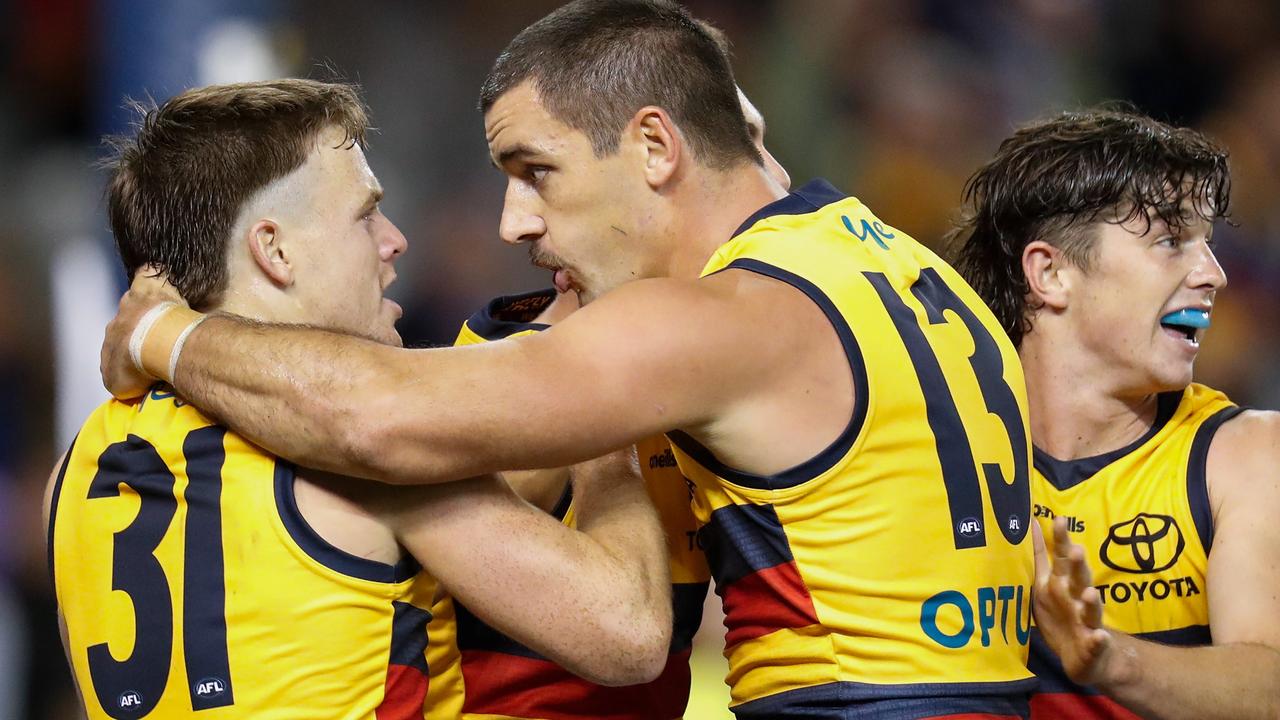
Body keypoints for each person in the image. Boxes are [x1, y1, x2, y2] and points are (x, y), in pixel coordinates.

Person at [101, 1, 1037, 716]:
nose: (514, 220)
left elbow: (376, 423)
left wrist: (160, 333)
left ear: (655, 146)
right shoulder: (903, 265)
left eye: (535, 170)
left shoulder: (715, 321)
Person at [47, 78, 672, 720]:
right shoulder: (350, 451)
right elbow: (628, 632)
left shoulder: (73, 474)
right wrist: (605, 430)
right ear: (275, 249)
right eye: (365, 213)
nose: (394, 240)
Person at [423, 81, 788, 720]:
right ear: (658, 158)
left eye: (758, 145)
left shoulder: (725, 356)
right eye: (745, 148)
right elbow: (625, 635)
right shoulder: (530, 364)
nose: (776, 180)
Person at [950, 106, 1280, 719]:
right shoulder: (937, 452)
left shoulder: (1242, 454)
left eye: (1207, 243)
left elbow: (1271, 684)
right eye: (1171, 240)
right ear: (1050, 273)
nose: (1215, 275)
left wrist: (1108, 659)